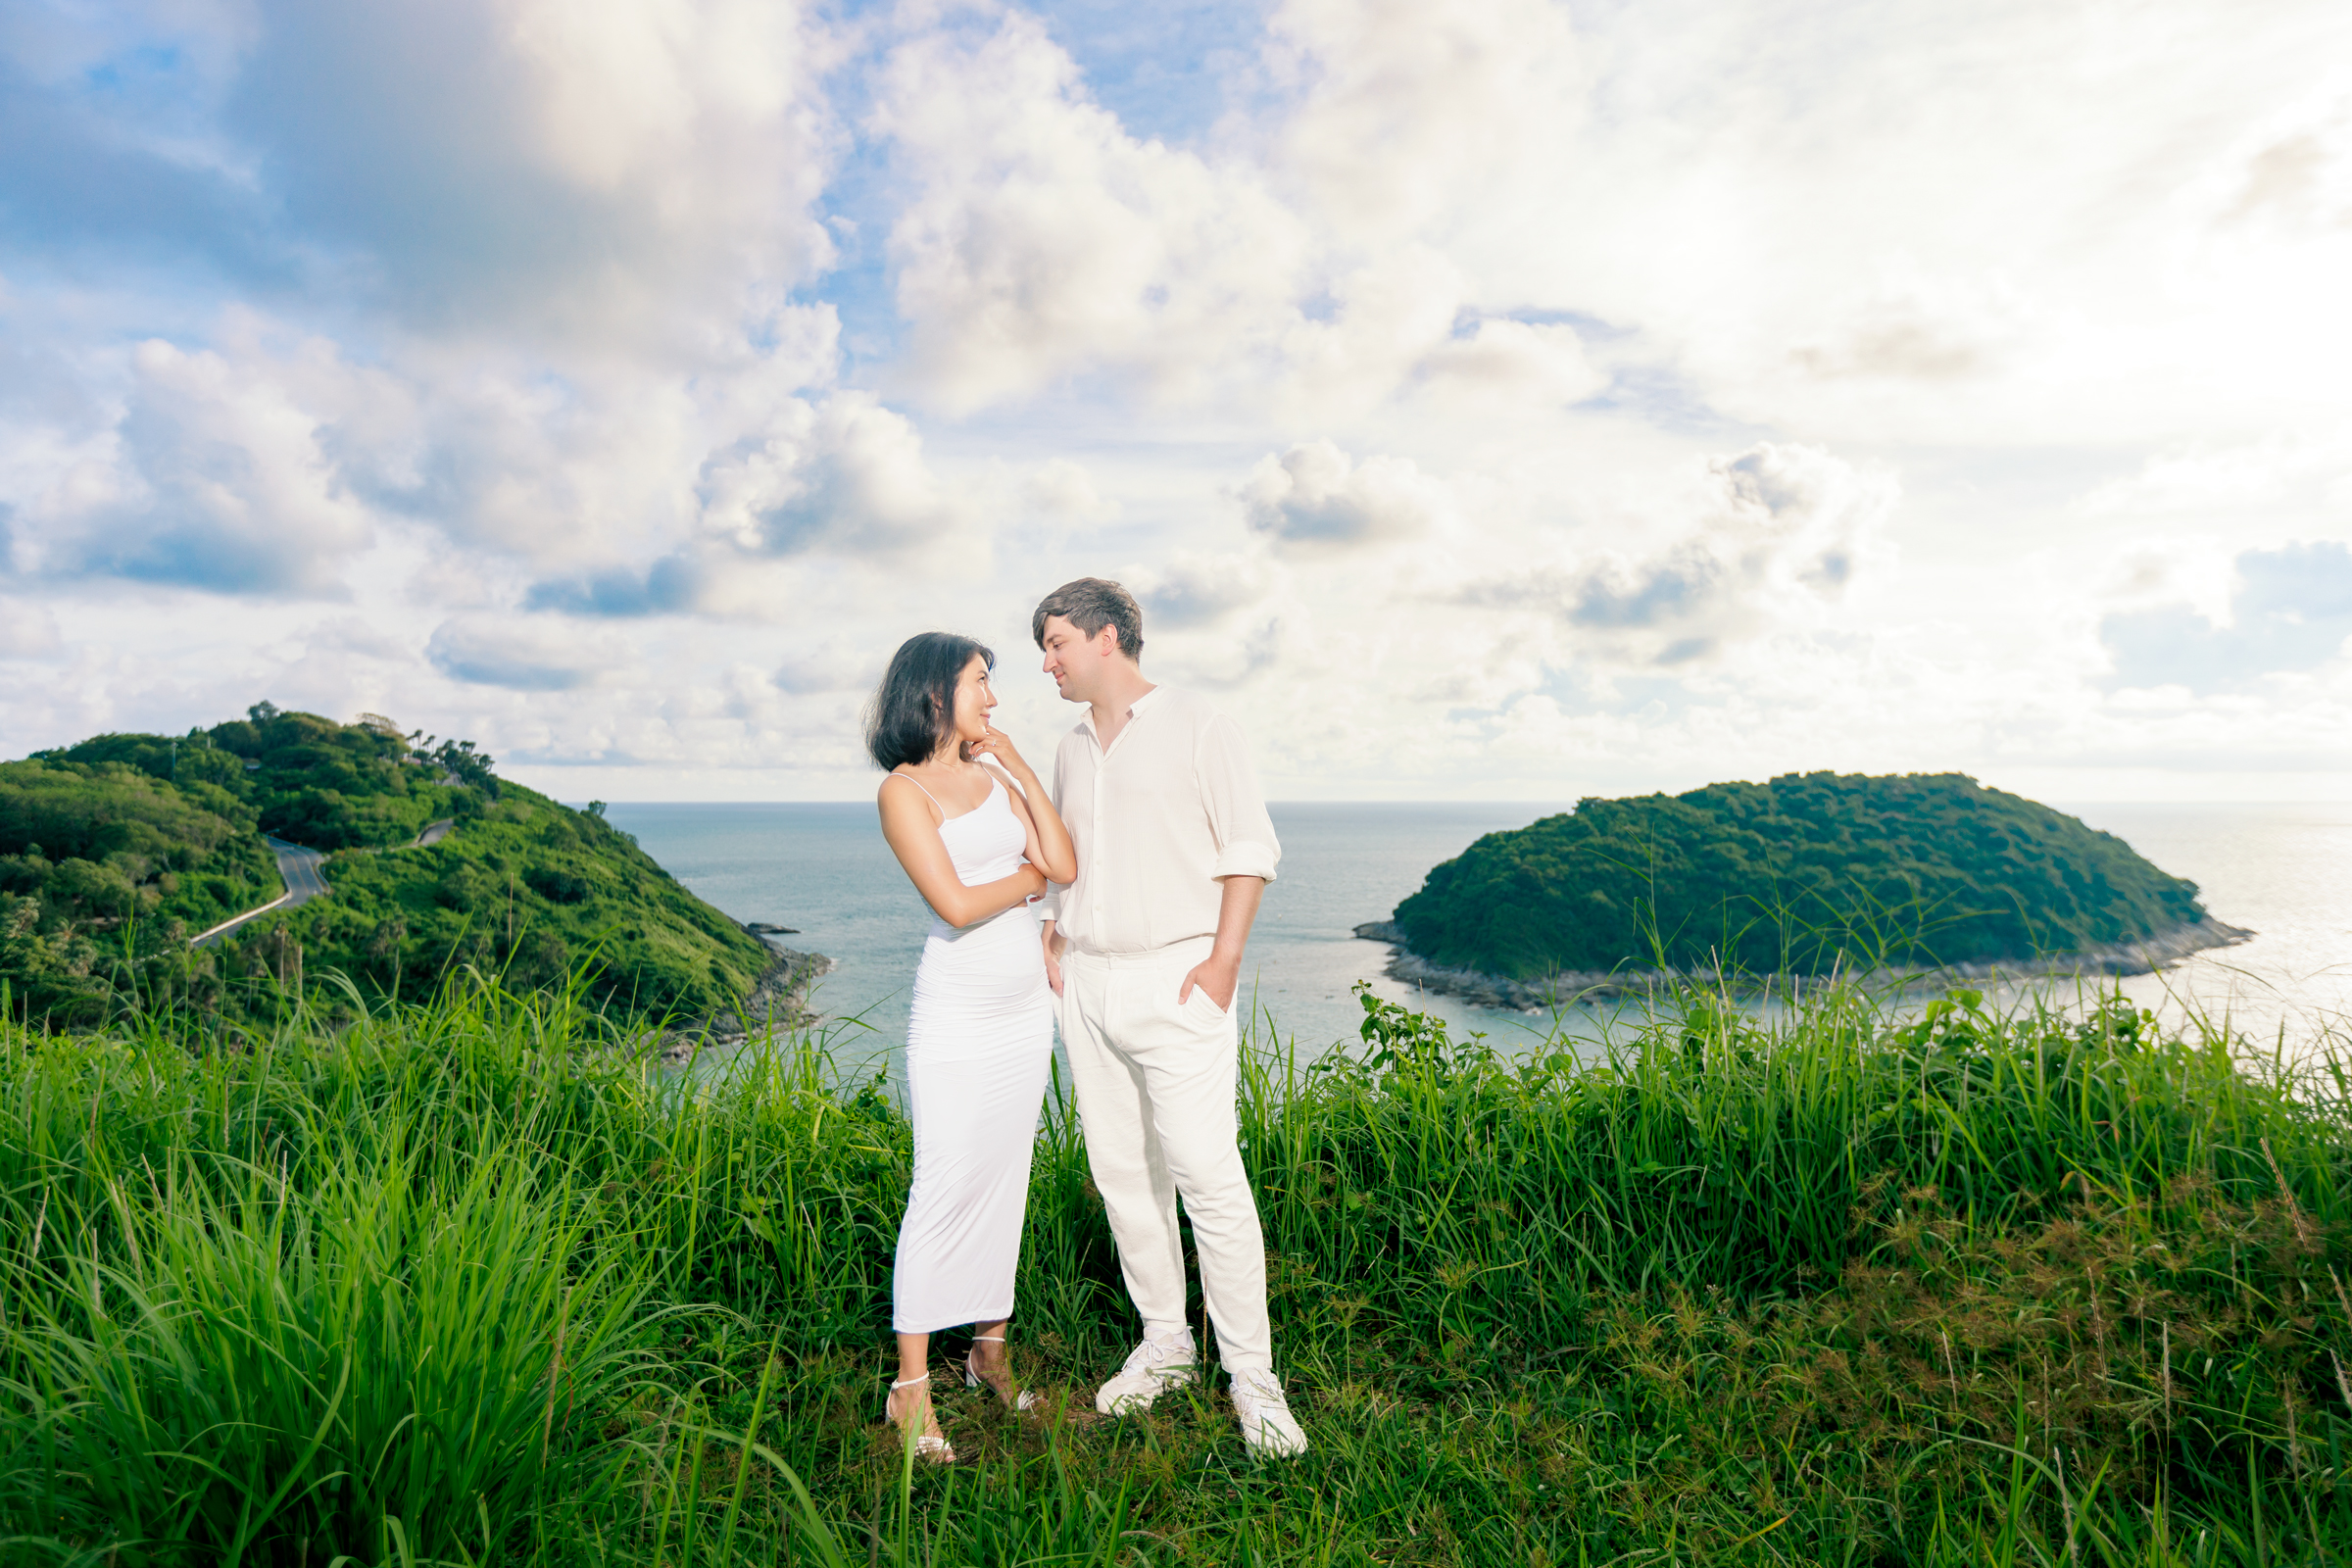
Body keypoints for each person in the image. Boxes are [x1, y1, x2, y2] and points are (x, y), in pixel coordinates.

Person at [1031, 577, 1308, 1458]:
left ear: (1107, 637)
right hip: (1089, 984)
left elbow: (1249, 847)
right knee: (1123, 1177)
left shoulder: (1201, 724)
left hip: (1178, 983)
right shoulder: (1072, 746)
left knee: (1208, 1180)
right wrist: (1050, 930)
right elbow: (1066, 854)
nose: (1048, 661)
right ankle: (1167, 1345)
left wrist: (1223, 962)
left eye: (1057, 642)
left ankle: (1254, 1381)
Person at [868, 631, 1077, 1463]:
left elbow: (1063, 859)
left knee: (1006, 1178)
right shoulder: (902, 791)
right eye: (980, 683)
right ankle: (909, 1390)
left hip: (1025, 1010)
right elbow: (955, 905)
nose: (992, 698)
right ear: (934, 693)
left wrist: (1022, 768)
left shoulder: (994, 776)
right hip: (957, 1014)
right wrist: (1030, 886)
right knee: (944, 1185)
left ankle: (987, 1351)